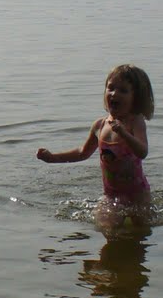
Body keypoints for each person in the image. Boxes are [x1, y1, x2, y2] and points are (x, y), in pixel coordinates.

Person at [36, 64, 155, 220]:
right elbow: (82, 153)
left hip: (137, 195)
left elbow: (142, 151)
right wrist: (53, 158)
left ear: (136, 98)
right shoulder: (100, 125)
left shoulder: (135, 122)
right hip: (111, 196)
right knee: (105, 227)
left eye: (123, 90)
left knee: (140, 230)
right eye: (110, 88)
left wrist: (124, 134)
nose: (114, 94)